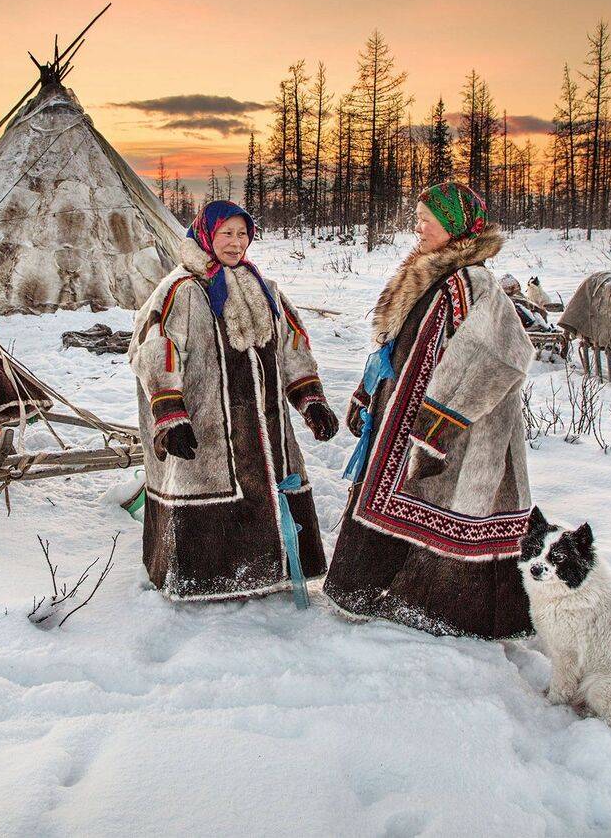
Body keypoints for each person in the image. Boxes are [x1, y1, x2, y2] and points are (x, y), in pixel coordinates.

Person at [323, 182, 536, 638]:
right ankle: (379, 591)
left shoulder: (474, 283)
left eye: (427, 220)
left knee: (447, 500)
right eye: (417, 218)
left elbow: (499, 356)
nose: (417, 227)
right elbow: (393, 344)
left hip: (456, 430)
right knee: (401, 495)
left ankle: (446, 608)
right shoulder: (427, 274)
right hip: (401, 409)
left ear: (455, 226)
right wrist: (367, 392)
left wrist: (438, 426)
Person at [130, 200, 339, 601]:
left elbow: (292, 345)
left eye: (242, 233)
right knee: (214, 483)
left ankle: (263, 574)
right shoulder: (181, 289)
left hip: (267, 422)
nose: (235, 242)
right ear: (207, 234)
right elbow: (154, 348)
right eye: (226, 233)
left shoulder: (264, 288)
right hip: (207, 425)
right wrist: (170, 414)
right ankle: (209, 582)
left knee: (267, 483)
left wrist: (310, 400)